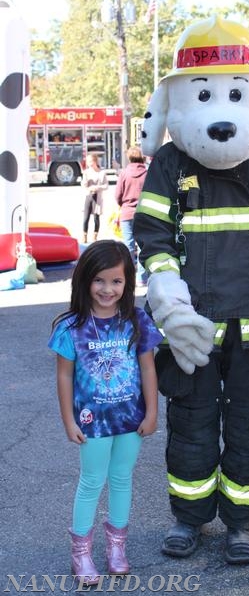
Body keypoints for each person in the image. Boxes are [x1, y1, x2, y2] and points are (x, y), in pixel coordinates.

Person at [134, 16, 249, 564]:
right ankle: (189, 517)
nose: (222, 114)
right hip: (194, 326)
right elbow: (152, 233)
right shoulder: (169, 163)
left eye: (235, 93)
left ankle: (243, 522)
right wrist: (168, 297)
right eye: (205, 94)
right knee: (191, 423)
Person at [48, 240, 163, 586]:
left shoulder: (136, 320)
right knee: (91, 481)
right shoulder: (71, 327)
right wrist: (68, 420)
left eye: (116, 281)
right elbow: (64, 375)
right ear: (84, 280)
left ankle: (116, 548)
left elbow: (147, 369)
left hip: (130, 419)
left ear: (128, 282)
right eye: (99, 280)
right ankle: (81, 552)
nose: (107, 289)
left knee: (122, 478)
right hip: (91, 423)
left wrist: (152, 412)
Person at [114, 146, 148, 286]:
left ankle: (128, 278)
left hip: (126, 212)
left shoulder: (124, 173)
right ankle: (142, 278)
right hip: (143, 213)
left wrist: (123, 204)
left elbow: (117, 195)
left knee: (128, 247)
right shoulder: (147, 173)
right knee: (142, 247)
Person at [81, 153, 109, 244]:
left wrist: (97, 188)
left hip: (98, 197)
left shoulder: (101, 173)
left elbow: (106, 185)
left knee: (96, 218)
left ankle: (95, 236)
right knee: (86, 217)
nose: (89, 164)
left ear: (95, 161)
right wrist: (86, 184)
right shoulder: (86, 172)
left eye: (90, 162)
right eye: (88, 162)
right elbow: (83, 185)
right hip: (88, 196)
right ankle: (84, 235)